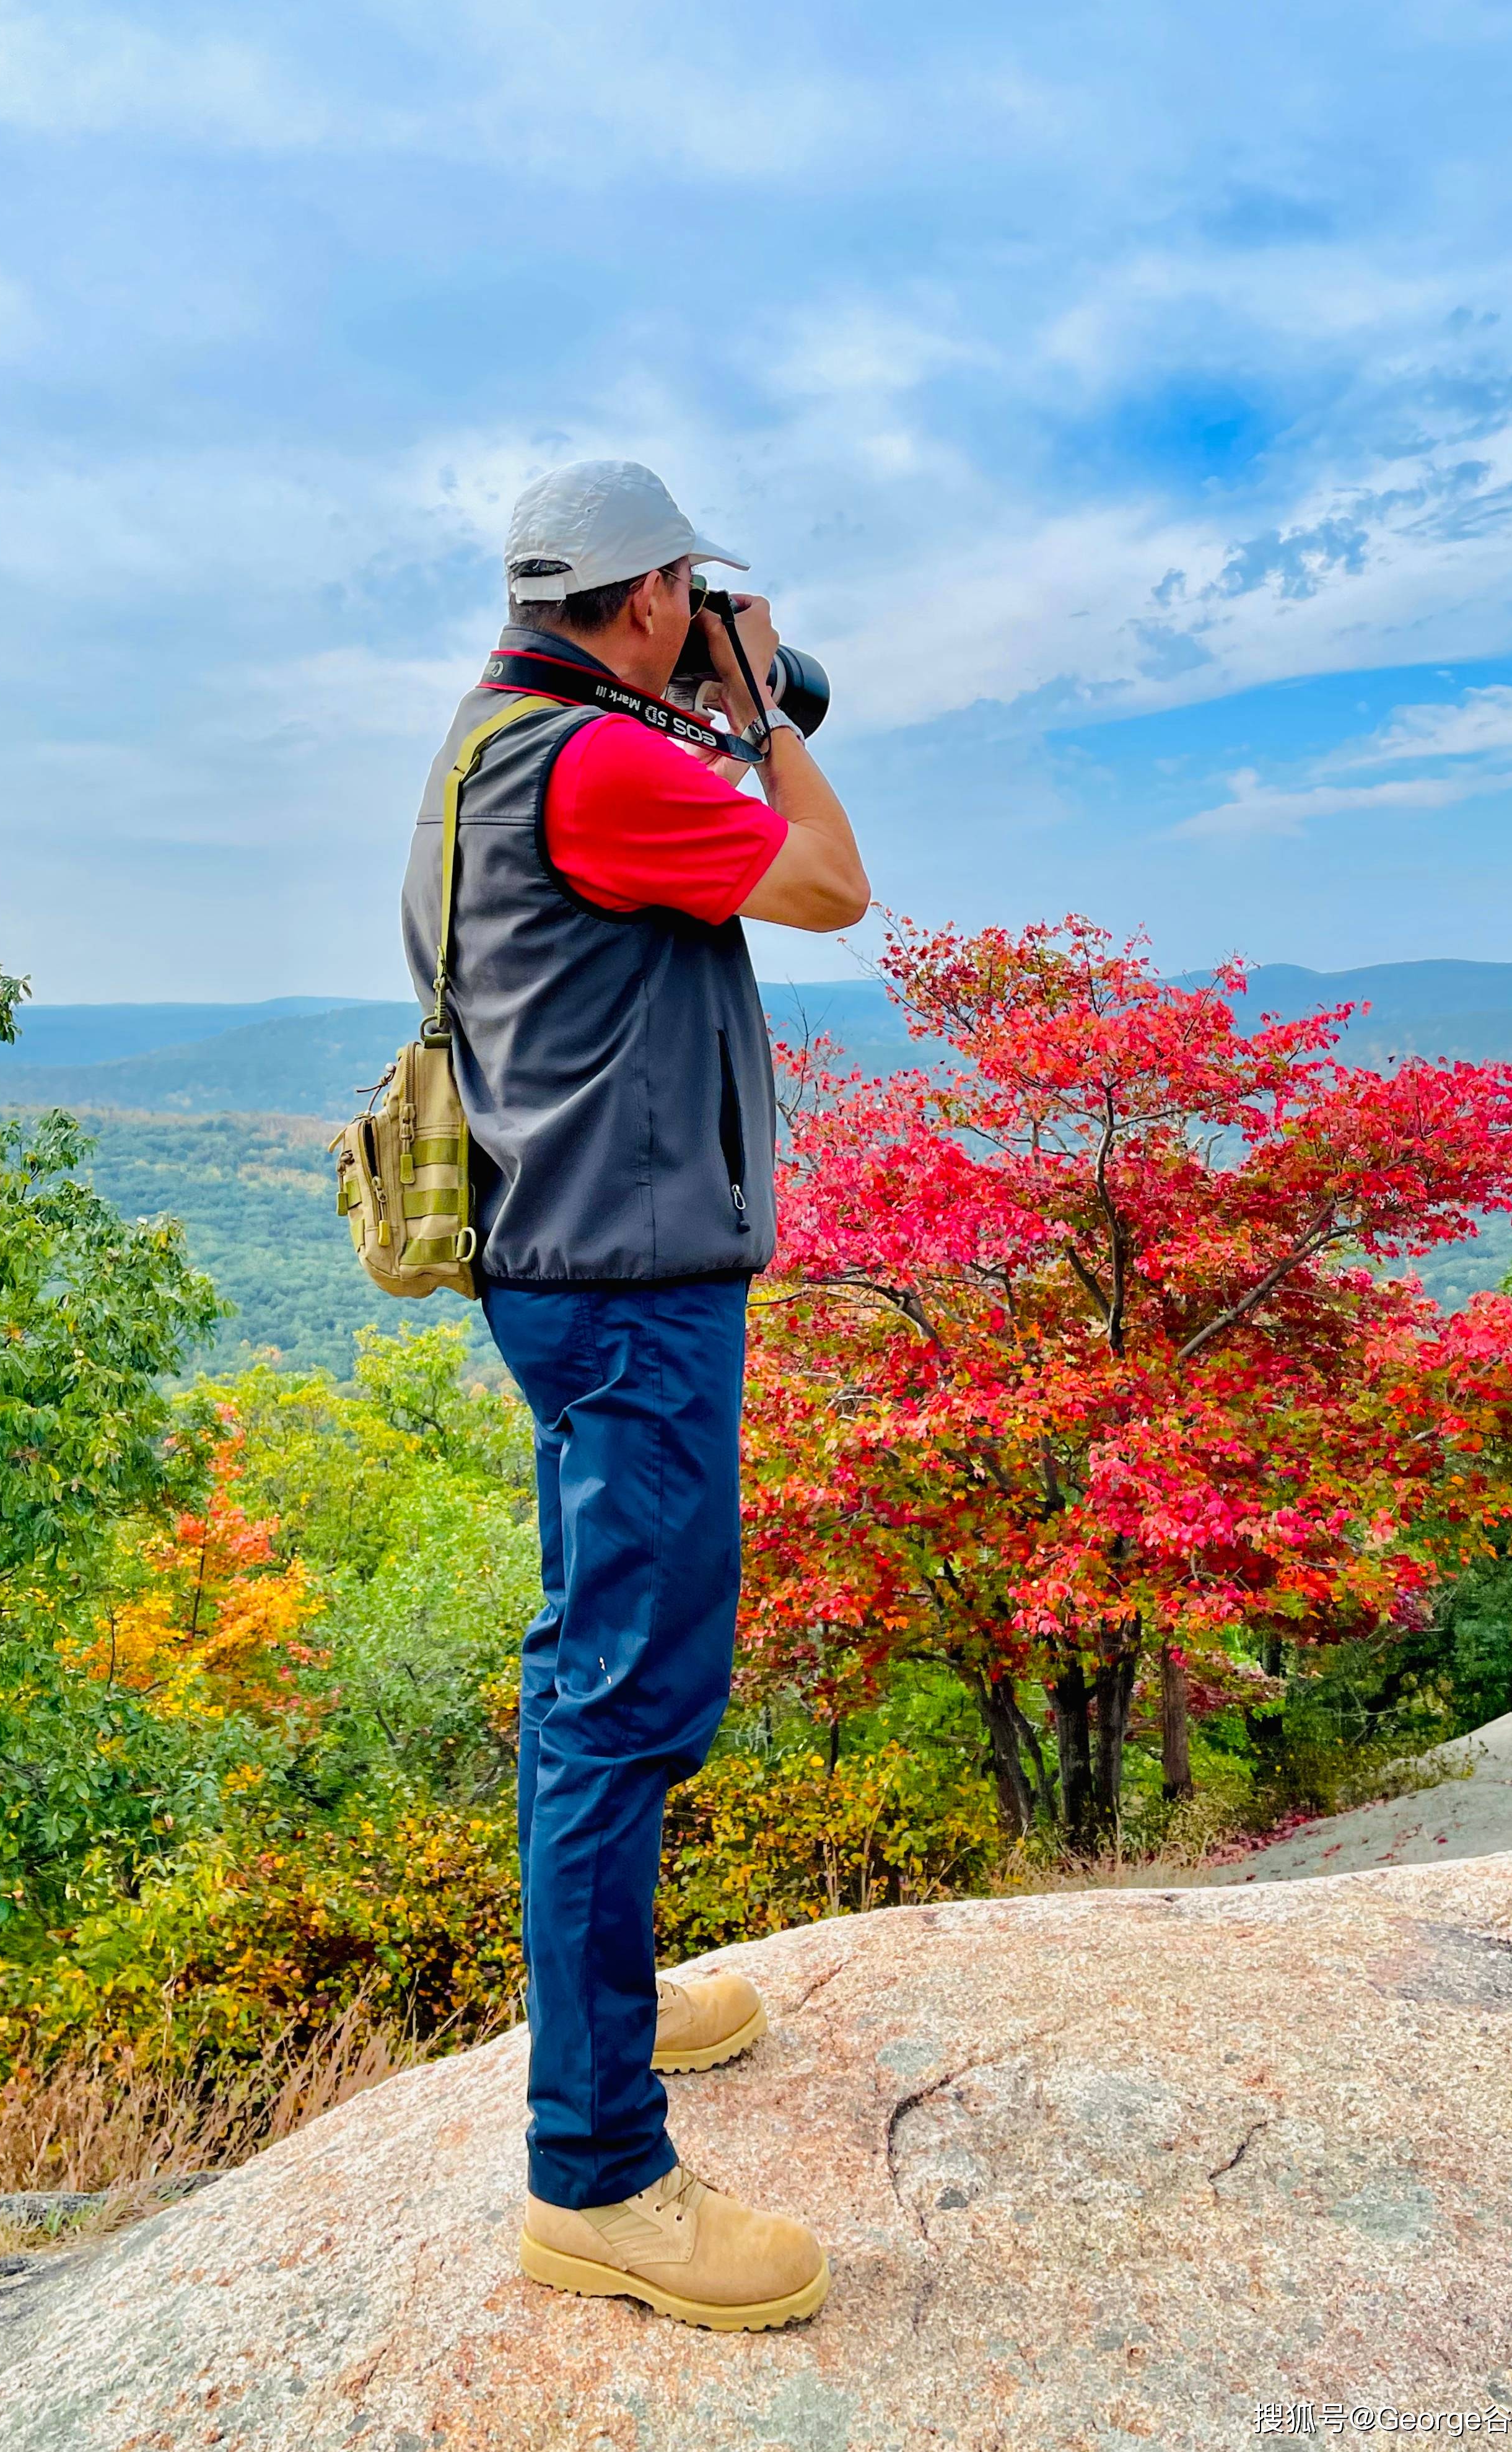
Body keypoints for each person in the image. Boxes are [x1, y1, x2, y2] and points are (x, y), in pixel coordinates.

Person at [400, 460, 868, 2332]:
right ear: (658, 594)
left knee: (583, 1659)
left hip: (564, 1272)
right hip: (635, 1294)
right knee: (624, 1694)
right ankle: (595, 2171)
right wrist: (753, 718)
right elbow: (832, 882)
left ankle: (602, 1986)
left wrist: (708, 704)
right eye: (698, 599)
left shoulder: (498, 734)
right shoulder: (602, 769)